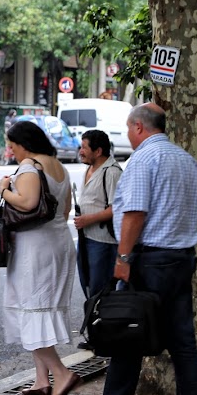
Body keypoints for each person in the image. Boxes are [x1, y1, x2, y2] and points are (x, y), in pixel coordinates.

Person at [73, 103, 197, 395]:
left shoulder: (144, 160)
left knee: (126, 332)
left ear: (138, 127)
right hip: (182, 258)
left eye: (129, 129)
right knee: (183, 343)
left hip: (150, 260)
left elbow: (134, 213)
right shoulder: (187, 160)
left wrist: (122, 258)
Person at [0, 120, 79, 395]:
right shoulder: (59, 166)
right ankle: (42, 380)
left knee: (29, 309)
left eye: (13, 145)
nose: (11, 150)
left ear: (24, 144)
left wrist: (5, 189)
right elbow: (66, 209)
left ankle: (61, 373)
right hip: (59, 241)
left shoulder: (31, 166)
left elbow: (29, 203)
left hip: (35, 248)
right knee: (39, 309)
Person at [73, 129, 122, 301]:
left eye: (84, 147)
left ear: (98, 151)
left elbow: (116, 208)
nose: (80, 151)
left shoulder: (112, 172)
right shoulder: (90, 169)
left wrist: (88, 219)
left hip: (103, 241)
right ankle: (93, 320)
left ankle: (101, 323)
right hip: (86, 237)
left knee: (100, 288)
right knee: (87, 284)